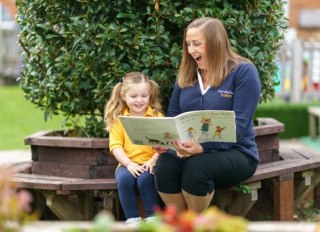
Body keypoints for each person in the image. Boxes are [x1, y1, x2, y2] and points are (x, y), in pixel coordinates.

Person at [154, 17, 261, 213]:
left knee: (197, 168)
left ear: (215, 43)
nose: (191, 50)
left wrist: (202, 148)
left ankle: (195, 224)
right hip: (191, 150)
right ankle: (181, 224)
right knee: (164, 167)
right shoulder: (186, 74)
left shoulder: (244, 72)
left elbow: (240, 126)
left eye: (197, 44)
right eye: (188, 44)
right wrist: (167, 140)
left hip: (238, 152)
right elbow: (174, 115)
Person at [104, 72, 163, 223]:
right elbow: (116, 146)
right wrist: (129, 164)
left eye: (144, 96)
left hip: (150, 163)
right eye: (133, 96)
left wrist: (153, 161)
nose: (139, 100)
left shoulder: (157, 117)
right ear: (123, 96)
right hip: (127, 163)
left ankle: (152, 218)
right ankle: (132, 219)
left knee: (145, 180)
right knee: (123, 179)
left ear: (150, 95)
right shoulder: (119, 120)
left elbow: (164, 144)